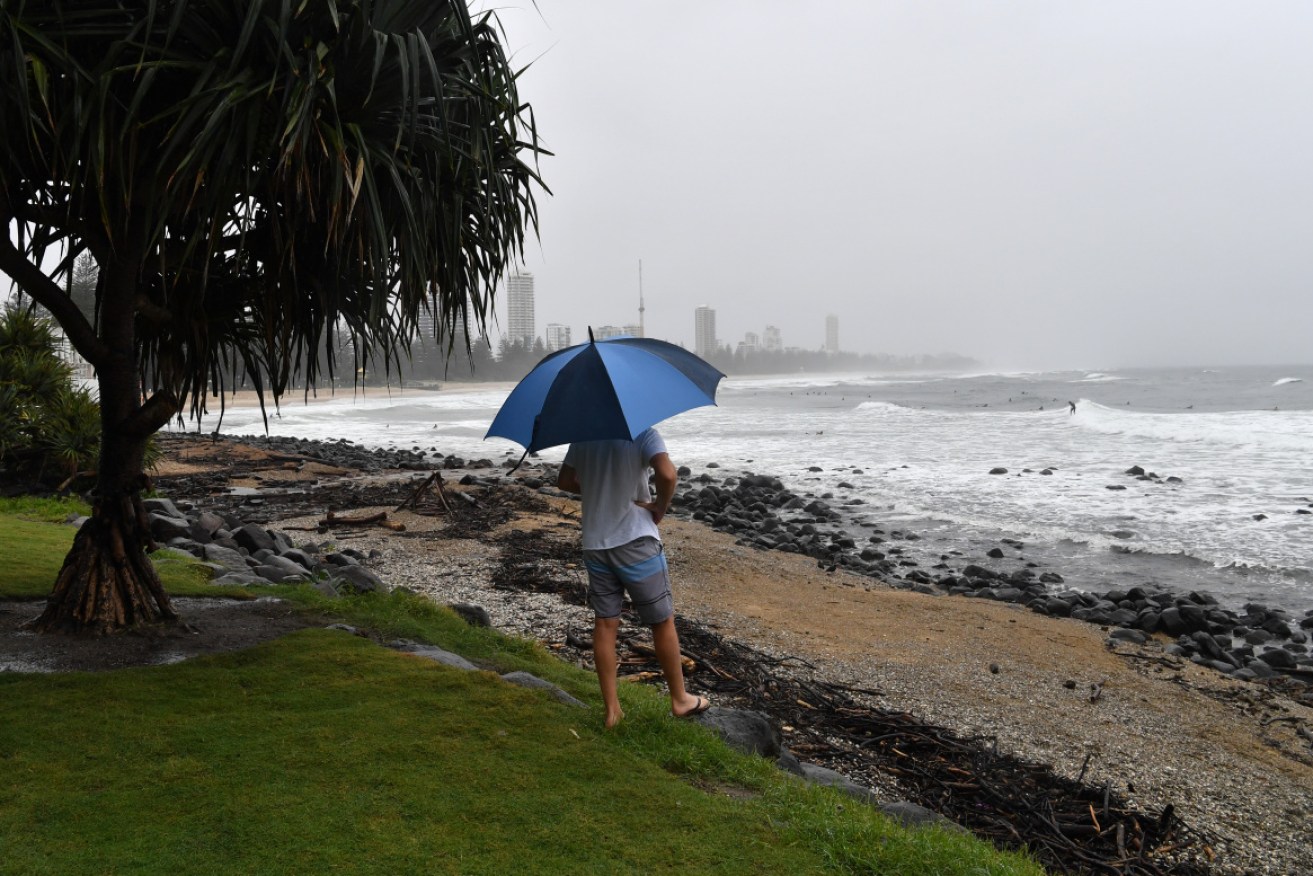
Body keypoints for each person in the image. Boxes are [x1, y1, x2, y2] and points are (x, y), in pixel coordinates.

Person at [556, 427, 709, 729]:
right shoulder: (643, 432)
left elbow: (564, 481)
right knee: (661, 620)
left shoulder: (582, 436)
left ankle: (612, 710)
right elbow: (667, 474)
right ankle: (680, 700)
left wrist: (600, 491)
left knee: (605, 623)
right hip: (636, 541)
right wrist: (659, 507)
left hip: (596, 543)